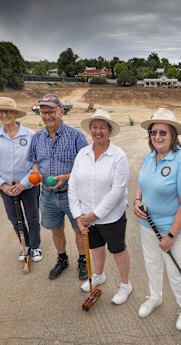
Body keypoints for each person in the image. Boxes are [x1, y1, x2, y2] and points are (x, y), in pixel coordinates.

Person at [133, 108, 181, 331]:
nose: (158, 137)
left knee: (176, 270)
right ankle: (155, 297)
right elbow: (141, 182)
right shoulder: (149, 156)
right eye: (154, 132)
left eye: (163, 132)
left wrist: (171, 235)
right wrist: (136, 201)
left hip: (173, 229)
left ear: (173, 135)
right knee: (152, 265)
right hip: (147, 225)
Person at [68, 109, 133, 305]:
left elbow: (118, 190)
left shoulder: (118, 156)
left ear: (109, 131)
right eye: (94, 127)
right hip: (86, 215)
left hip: (111, 216)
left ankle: (125, 285)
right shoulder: (82, 153)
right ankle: (99, 275)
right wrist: (79, 215)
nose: (98, 131)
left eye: (102, 127)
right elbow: (73, 184)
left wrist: (95, 215)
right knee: (95, 247)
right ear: (90, 130)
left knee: (118, 249)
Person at [27, 94, 89, 280]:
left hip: (72, 194)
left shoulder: (76, 136)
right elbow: (34, 162)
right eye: (44, 112)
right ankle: (62, 259)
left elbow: (87, 166)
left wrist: (68, 177)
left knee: (79, 229)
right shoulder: (37, 138)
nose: (47, 116)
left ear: (61, 112)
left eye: (52, 112)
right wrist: (36, 174)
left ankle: (83, 261)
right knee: (56, 229)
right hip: (47, 194)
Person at [0, 97, 43, 263]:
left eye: (8, 111)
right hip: (6, 188)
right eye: (1, 111)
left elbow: (36, 164)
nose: (4, 114)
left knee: (32, 217)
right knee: (14, 218)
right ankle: (26, 245)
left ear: (15, 113)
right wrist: (3, 185)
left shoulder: (31, 135)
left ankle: (36, 246)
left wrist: (23, 184)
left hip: (28, 186)